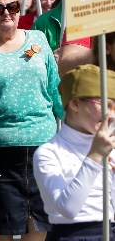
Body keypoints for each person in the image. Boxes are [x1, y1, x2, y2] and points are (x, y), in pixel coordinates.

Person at [0, 0, 63, 240]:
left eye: (12, 6)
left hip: (42, 149)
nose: (6, 14)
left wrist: (71, 131)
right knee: (1, 231)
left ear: (19, 8)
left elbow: (54, 87)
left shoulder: (38, 39)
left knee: (39, 230)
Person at [34, 64, 115, 241]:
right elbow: (68, 208)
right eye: (104, 104)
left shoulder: (110, 144)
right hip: (71, 235)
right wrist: (94, 157)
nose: (111, 115)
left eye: (114, 106)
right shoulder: (48, 153)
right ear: (75, 103)